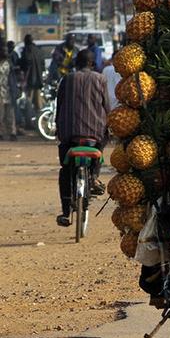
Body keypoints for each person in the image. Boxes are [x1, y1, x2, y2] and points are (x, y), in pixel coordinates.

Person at [55, 49, 110, 226]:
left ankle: (65, 211)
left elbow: (59, 106)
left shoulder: (68, 78)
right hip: (95, 134)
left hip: (69, 135)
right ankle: (93, 177)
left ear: (76, 63)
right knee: (102, 144)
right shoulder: (100, 79)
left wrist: (59, 128)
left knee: (65, 169)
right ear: (92, 64)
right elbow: (107, 107)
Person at [19, 34, 45, 113]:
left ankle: (30, 119)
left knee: (29, 100)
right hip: (38, 79)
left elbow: (26, 64)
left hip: (30, 79)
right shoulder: (38, 50)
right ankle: (39, 118)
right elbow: (42, 64)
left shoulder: (26, 50)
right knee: (38, 101)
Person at [0, 46, 17, 140]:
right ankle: (1, 133)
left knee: (10, 114)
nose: (5, 52)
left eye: (6, 51)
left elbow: (13, 77)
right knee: (1, 114)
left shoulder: (9, 63)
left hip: (9, 91)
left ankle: (12, 133)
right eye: (3, 51)